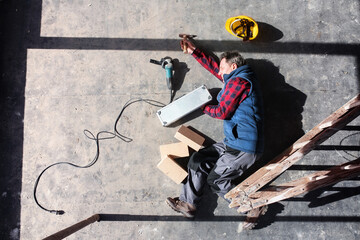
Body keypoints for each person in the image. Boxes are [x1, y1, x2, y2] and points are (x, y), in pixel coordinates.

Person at [165, 38, 265, 219]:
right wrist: (195, 51)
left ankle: (251, 206)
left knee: (216, 180)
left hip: (244, 147)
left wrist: (202, 104)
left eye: (223, 68)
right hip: (233, 142)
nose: (219, 72)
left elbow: (222, 112)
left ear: (233, 67)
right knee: (199, 159)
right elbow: (214, 68)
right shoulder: (236, 78)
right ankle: (188, 204)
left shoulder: (240, 82)